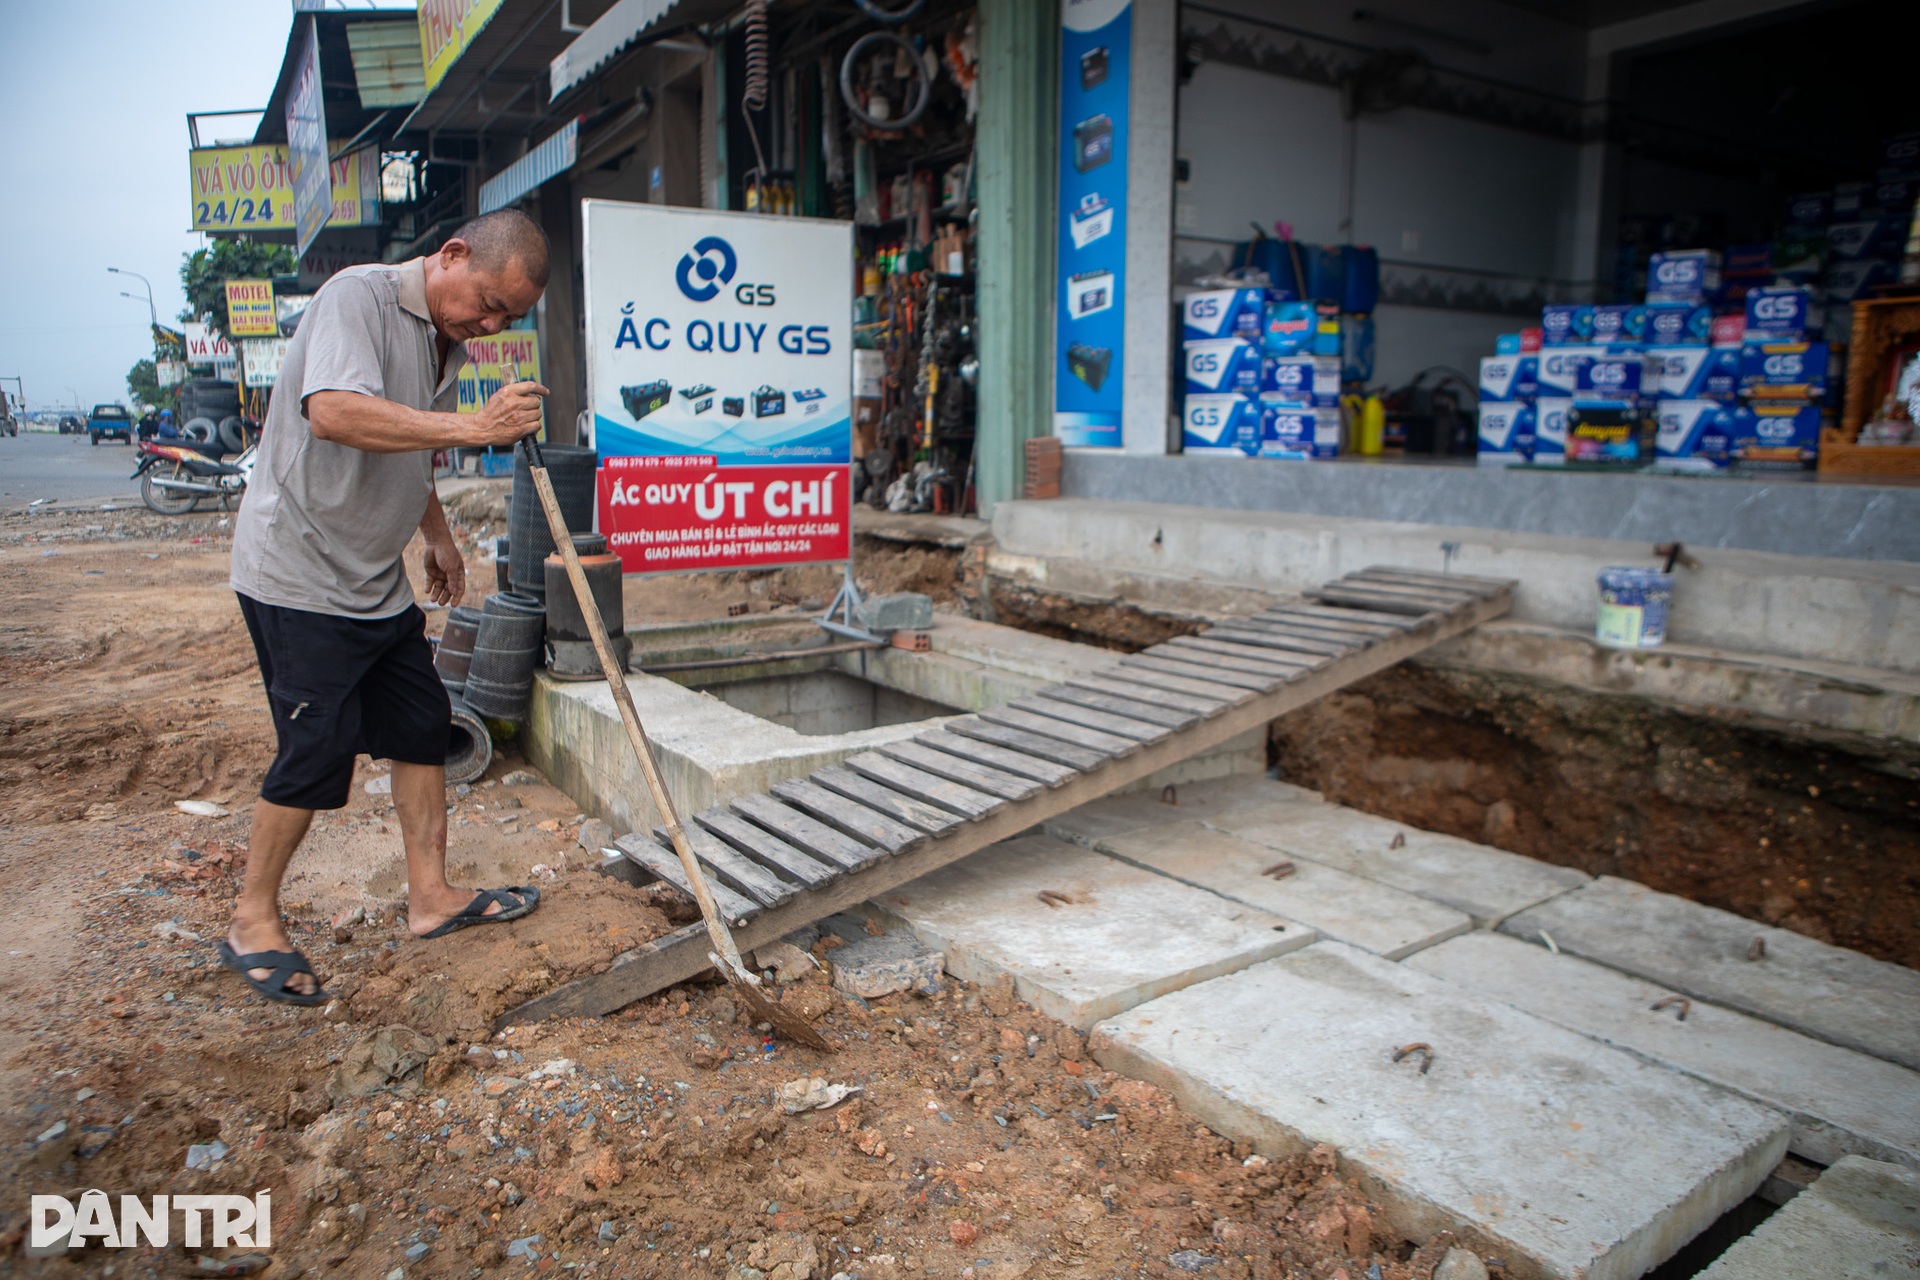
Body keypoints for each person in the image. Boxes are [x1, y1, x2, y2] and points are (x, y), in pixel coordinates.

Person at [221, 209, 554, 1005]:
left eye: (508, 318)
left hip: (373, 579)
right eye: (489, 302)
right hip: (299, 574)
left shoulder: (445, 341)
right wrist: (474, 424)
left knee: (417, 725)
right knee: (318, 747)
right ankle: (251, 919)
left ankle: (431, 897)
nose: (492, 323)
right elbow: (334, 411)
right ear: (452, 254)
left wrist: (434, 532)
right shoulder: (356, 300)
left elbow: (404, 443)